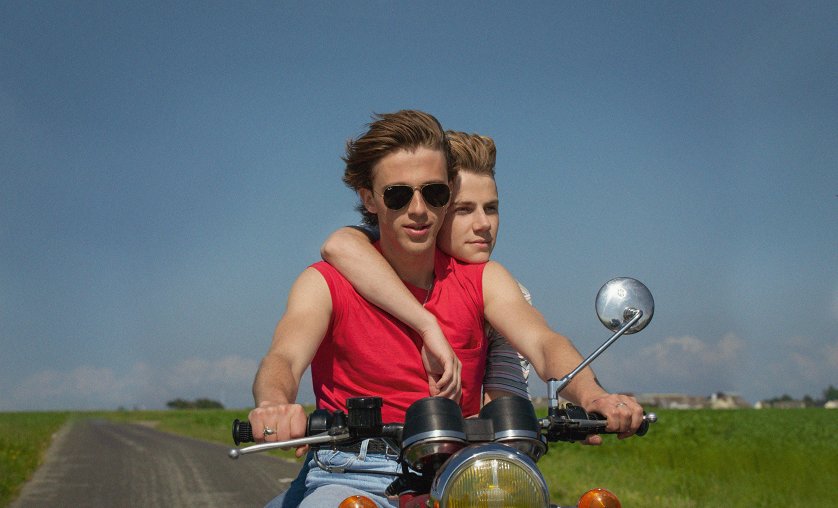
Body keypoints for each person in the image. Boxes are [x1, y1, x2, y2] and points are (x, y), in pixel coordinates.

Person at [252, 110, 644, 507]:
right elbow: (284, 357)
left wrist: (593, 395)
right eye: (398, 195)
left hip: (462, 476)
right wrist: (274, 405)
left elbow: (543, 343)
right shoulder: (324, 283)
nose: (419, 209)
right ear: (369, 198)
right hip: (353, 472)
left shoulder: (483, 280)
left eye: (434, 193)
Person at [321, 130, 531, 403]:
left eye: (491, 208)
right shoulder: (380, 242)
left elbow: (502, 406)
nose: (483, 225)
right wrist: (428, 324)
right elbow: (339, 244)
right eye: (463, 209)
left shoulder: (508, 291)